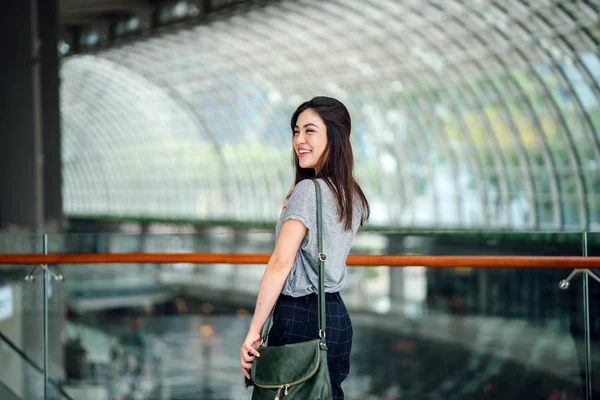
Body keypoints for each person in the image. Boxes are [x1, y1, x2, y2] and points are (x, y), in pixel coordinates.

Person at [240, 96, 370, 399]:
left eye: (310, 131)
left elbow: (280, 264)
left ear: (334, 137)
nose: (300, 140)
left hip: (300, 315)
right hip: (335, 317)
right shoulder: (352, 194)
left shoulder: (307, 191)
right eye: (296, 131)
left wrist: (255, 330)